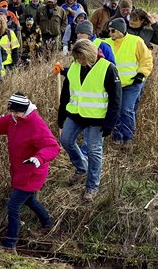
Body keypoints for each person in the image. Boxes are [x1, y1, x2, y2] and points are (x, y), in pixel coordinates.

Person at [0, 93, 60, 254]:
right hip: (19, 171)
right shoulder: (12, 119)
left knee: (13, 206)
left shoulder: (36, 124)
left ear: (25, 109)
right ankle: (48, 224)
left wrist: (38, 158)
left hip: (32, 173)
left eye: (17, 112)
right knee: (29, 200)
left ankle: (10, 245)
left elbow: (53, 146)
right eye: (12, 111)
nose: (13, 115)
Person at [58, 40, 121, 202]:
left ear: (90, 54)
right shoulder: (74, 67)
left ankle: (92, 186)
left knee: (94, 150)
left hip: (97, 118)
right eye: (77, 58)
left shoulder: (108, 68)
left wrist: (110, 124)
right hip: (76, 114)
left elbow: (116, 100)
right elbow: (66, 93)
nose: (79, 61)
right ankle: (82, 167)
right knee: (65, 140)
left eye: (82, 58)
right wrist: (61, 117)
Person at [104, 18, 152, 151]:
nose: (110, 33)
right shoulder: (106, 43)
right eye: (109, 30)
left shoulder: (136, 41)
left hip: (132, 83)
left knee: (126, 110)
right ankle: (117, 138)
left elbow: (146, 59)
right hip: (114, 85)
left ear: (120, 31)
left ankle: (127, 138)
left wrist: (141, 74)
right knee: (115, 110)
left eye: (113, 31)